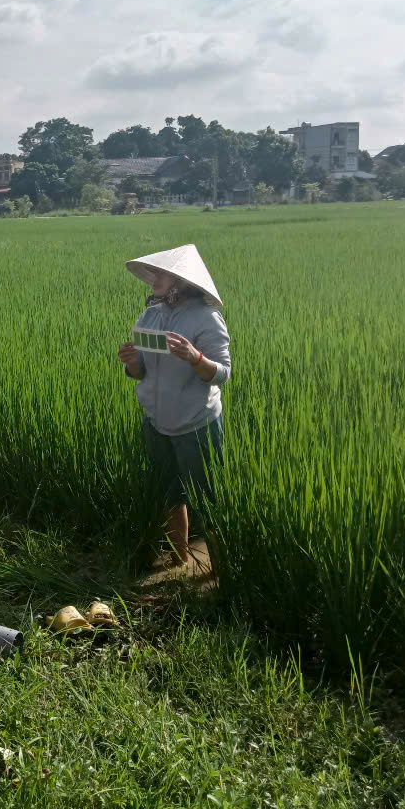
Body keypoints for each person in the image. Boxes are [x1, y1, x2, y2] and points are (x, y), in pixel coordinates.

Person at [117, 244, 231, 572]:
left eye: (161, 274)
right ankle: (178, 560)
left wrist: (195, 358)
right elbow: (139, 371)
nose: (153, 278)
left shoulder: (206, 317)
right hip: (156, 421)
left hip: (196, 423)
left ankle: (220, 573)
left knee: (207, 501)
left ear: (181, 281)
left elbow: (222, 373)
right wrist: (130, 363)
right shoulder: (150, 315)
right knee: (169, 493)